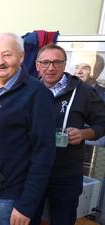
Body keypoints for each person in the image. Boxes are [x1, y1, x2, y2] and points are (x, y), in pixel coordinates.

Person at [0, 33, 56, 225]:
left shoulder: (37, 95)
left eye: (7, 55)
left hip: (8, 197)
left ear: (22, 57)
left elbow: (44, 154)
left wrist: (27, 205)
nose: (0, 62)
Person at [30, 44, 105, 225]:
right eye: (45, 62)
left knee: (63, 219)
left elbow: (102, 122)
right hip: (31, 169)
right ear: (37, 65)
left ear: (65, 64)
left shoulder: (84, 91)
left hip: (66, 172)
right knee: (29, 217)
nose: (51, 67)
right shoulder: (29, 89)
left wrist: (83, 133)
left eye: (57, 62)